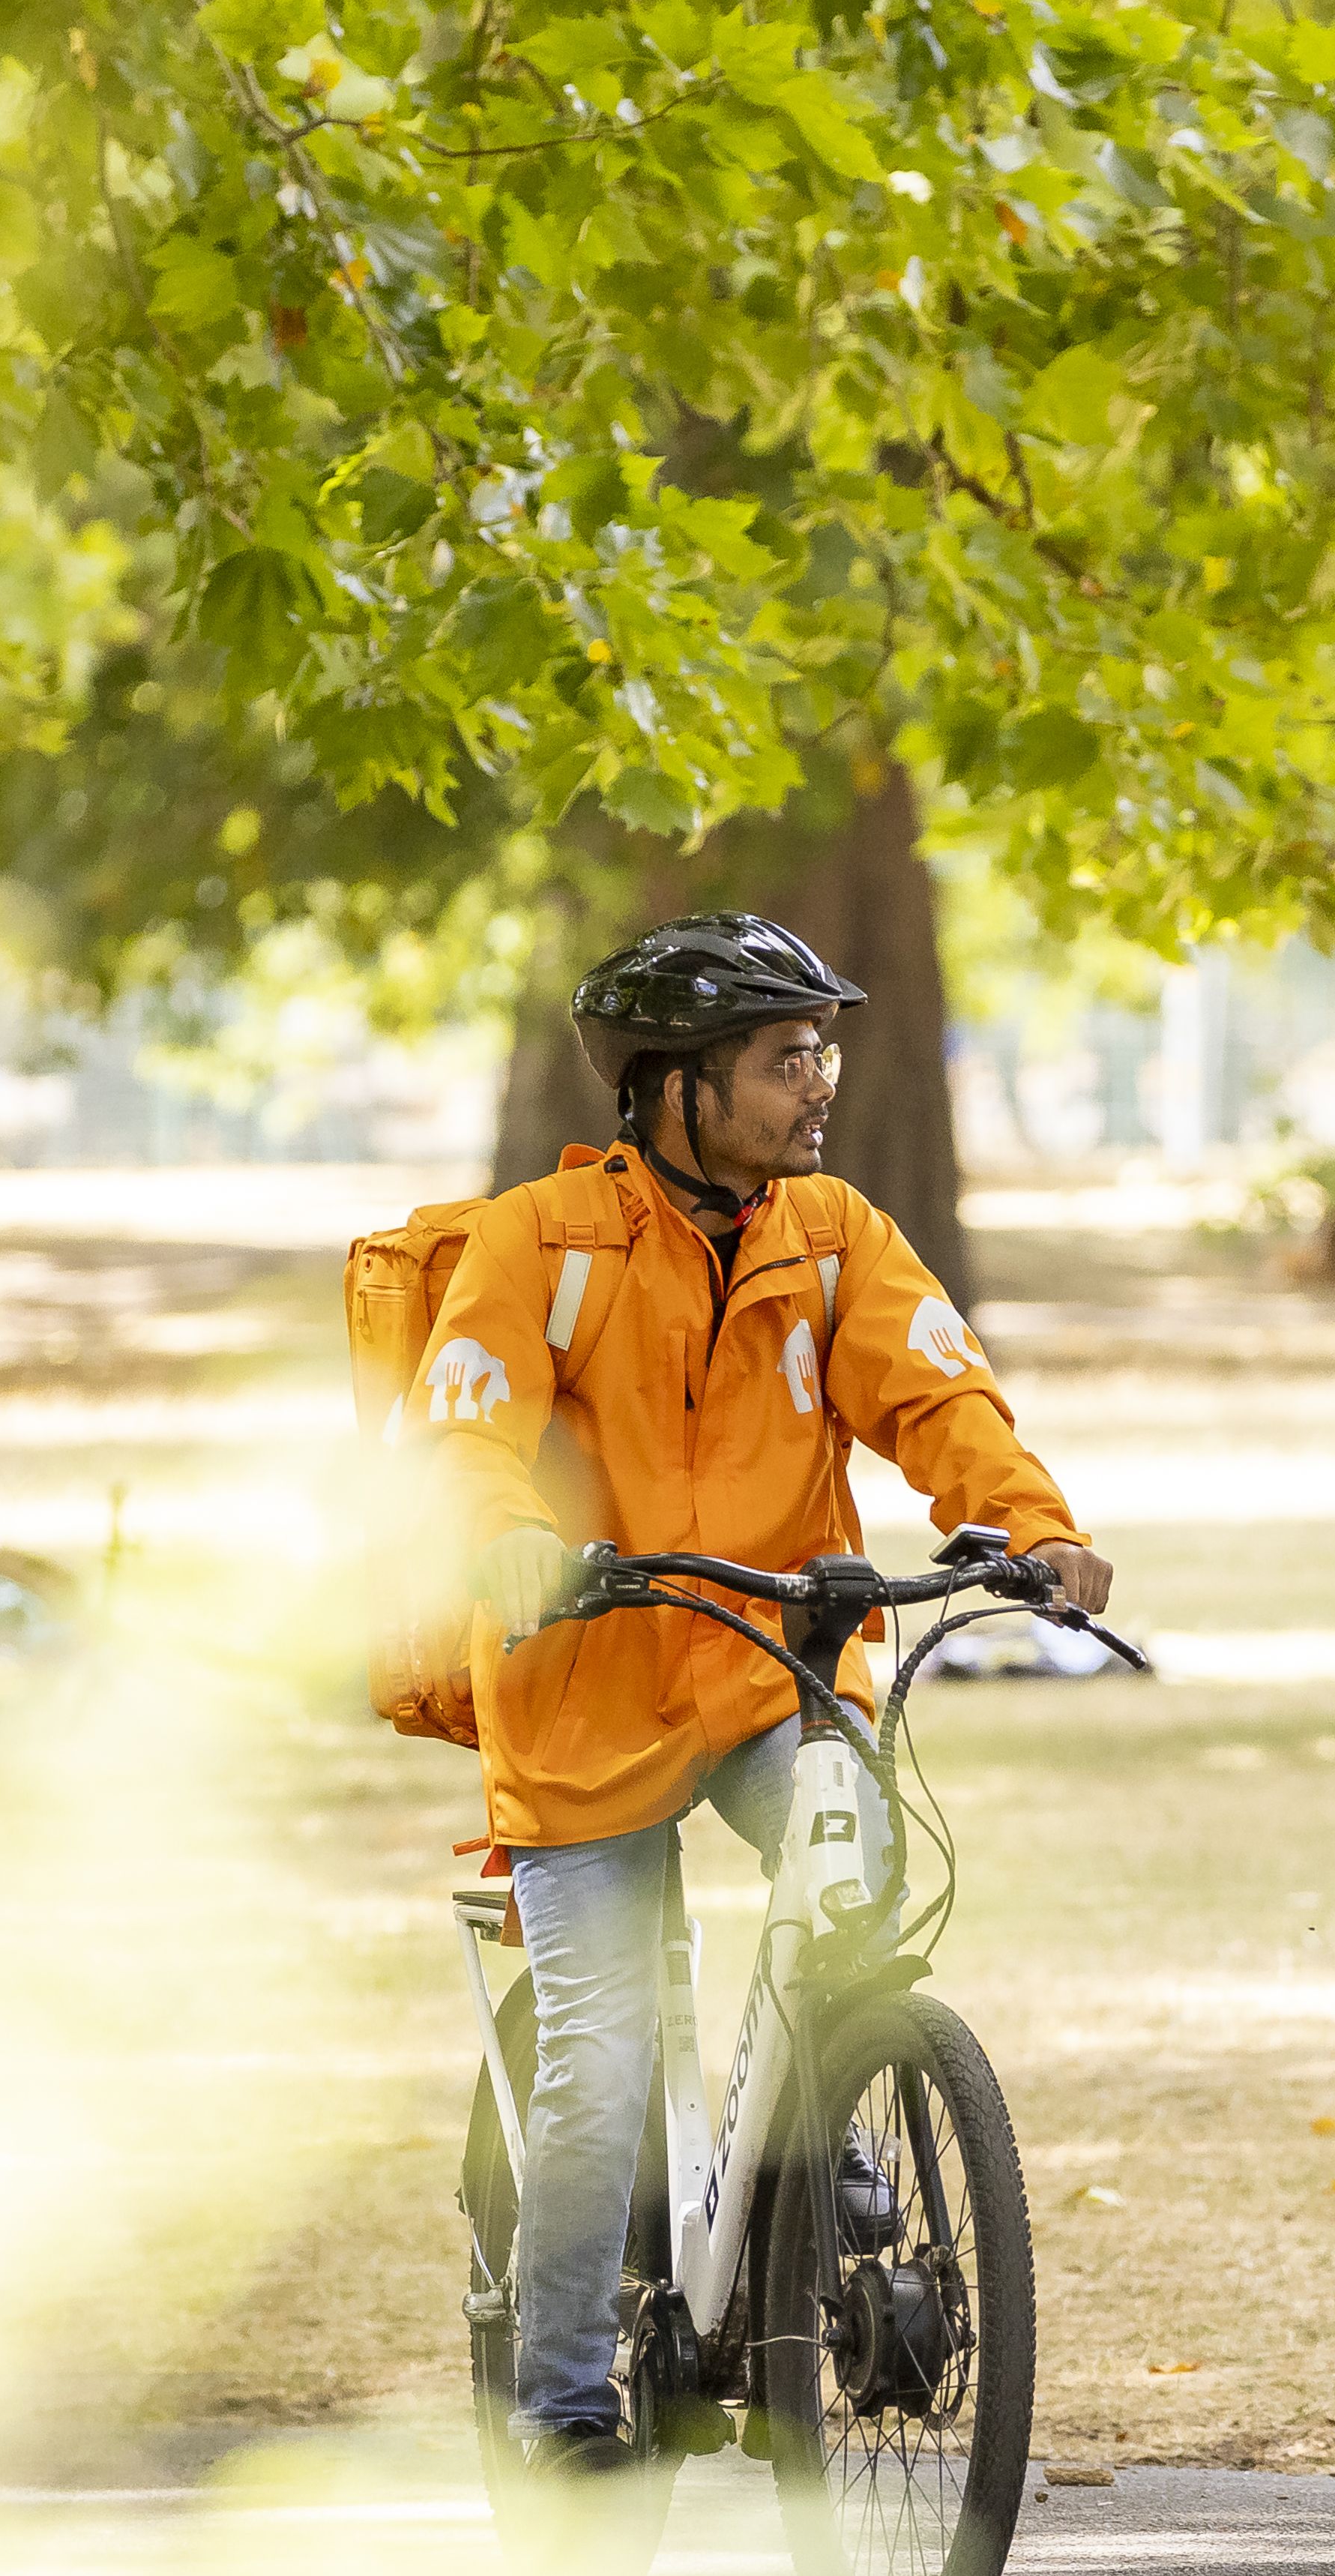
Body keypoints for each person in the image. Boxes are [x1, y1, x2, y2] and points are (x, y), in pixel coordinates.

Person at [407, 916, 1118, 2470]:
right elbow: (459, 1430)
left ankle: (827, 2131)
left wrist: (1037, 1524)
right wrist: (512, 1541)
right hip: (580, 1693)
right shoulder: (537, 1241)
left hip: (763, 1676)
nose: (818, 1086)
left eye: (824, 1051)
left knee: (855, 1872)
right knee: (598, 2056)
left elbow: (937, 1389)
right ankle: (560, 2404)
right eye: (784, 1057)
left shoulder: (833, 1232)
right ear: (678, 1088)